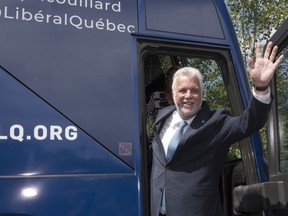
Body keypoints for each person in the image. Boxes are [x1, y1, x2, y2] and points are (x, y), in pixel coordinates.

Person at [150, 42, 285, 216]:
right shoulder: (162, 118)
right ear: (174, 93)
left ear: (202, 94)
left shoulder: (216, 123)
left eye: (194, 90)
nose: (188, 96)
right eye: (182, 90)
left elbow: (249, 122)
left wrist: (261, 87)